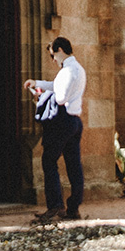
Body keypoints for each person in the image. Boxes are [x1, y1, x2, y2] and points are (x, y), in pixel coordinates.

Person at [28, 36, 86, 224]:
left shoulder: (67, 71)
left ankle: (55, 206)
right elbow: (56, 86)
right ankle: (73, 207)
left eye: (53, 55)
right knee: (74, 165)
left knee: (49, 161)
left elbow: (60, 97)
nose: (53, 59)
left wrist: (41, 98)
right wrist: (38, 83)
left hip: (62, 121)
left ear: (60, 49)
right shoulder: (78, 69)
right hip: (75, 120)